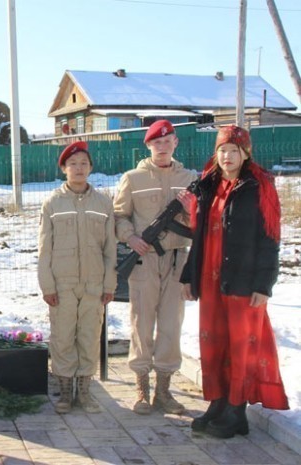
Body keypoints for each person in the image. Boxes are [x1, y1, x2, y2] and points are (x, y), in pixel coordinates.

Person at [180, 125, 288, 438]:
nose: (227, 156)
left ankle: (236, 411)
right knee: (213, 340)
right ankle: (218, 401)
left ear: (245, 153)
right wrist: (189, 275)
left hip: (243, 281)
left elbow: (271, 237)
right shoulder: (207, 184)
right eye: (222, 150)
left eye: (234, 150)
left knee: (241, 346)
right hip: (211, 279)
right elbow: (198, 235)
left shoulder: (259, 186)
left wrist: (263, 284)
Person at [113, 120, 197, 415]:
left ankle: (163, 391)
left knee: (172, 324)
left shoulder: (190, 178)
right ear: (148, 146)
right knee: (142, 323)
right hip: (144, 260)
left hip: (177, 259)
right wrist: (131, 237)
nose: (162, 147)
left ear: (176, 143)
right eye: (156, 143)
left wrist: (191, 210)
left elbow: (202, 223)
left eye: (167, 141)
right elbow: (119, 215)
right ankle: (141, 388)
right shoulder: (133, 178)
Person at [38, 141, 117, 414]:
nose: (78, 168)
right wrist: (47, 285)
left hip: (94, 286)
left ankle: (84, 391)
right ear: (64, 169)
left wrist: (109, 285)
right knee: (62, 338)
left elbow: (110, 249)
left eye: (84, 163)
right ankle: (65, 392)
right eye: (73, 164)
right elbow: (44, 249)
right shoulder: (53, 203)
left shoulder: (103, 202)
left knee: (89, 336)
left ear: (91, 168)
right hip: (63, 285)